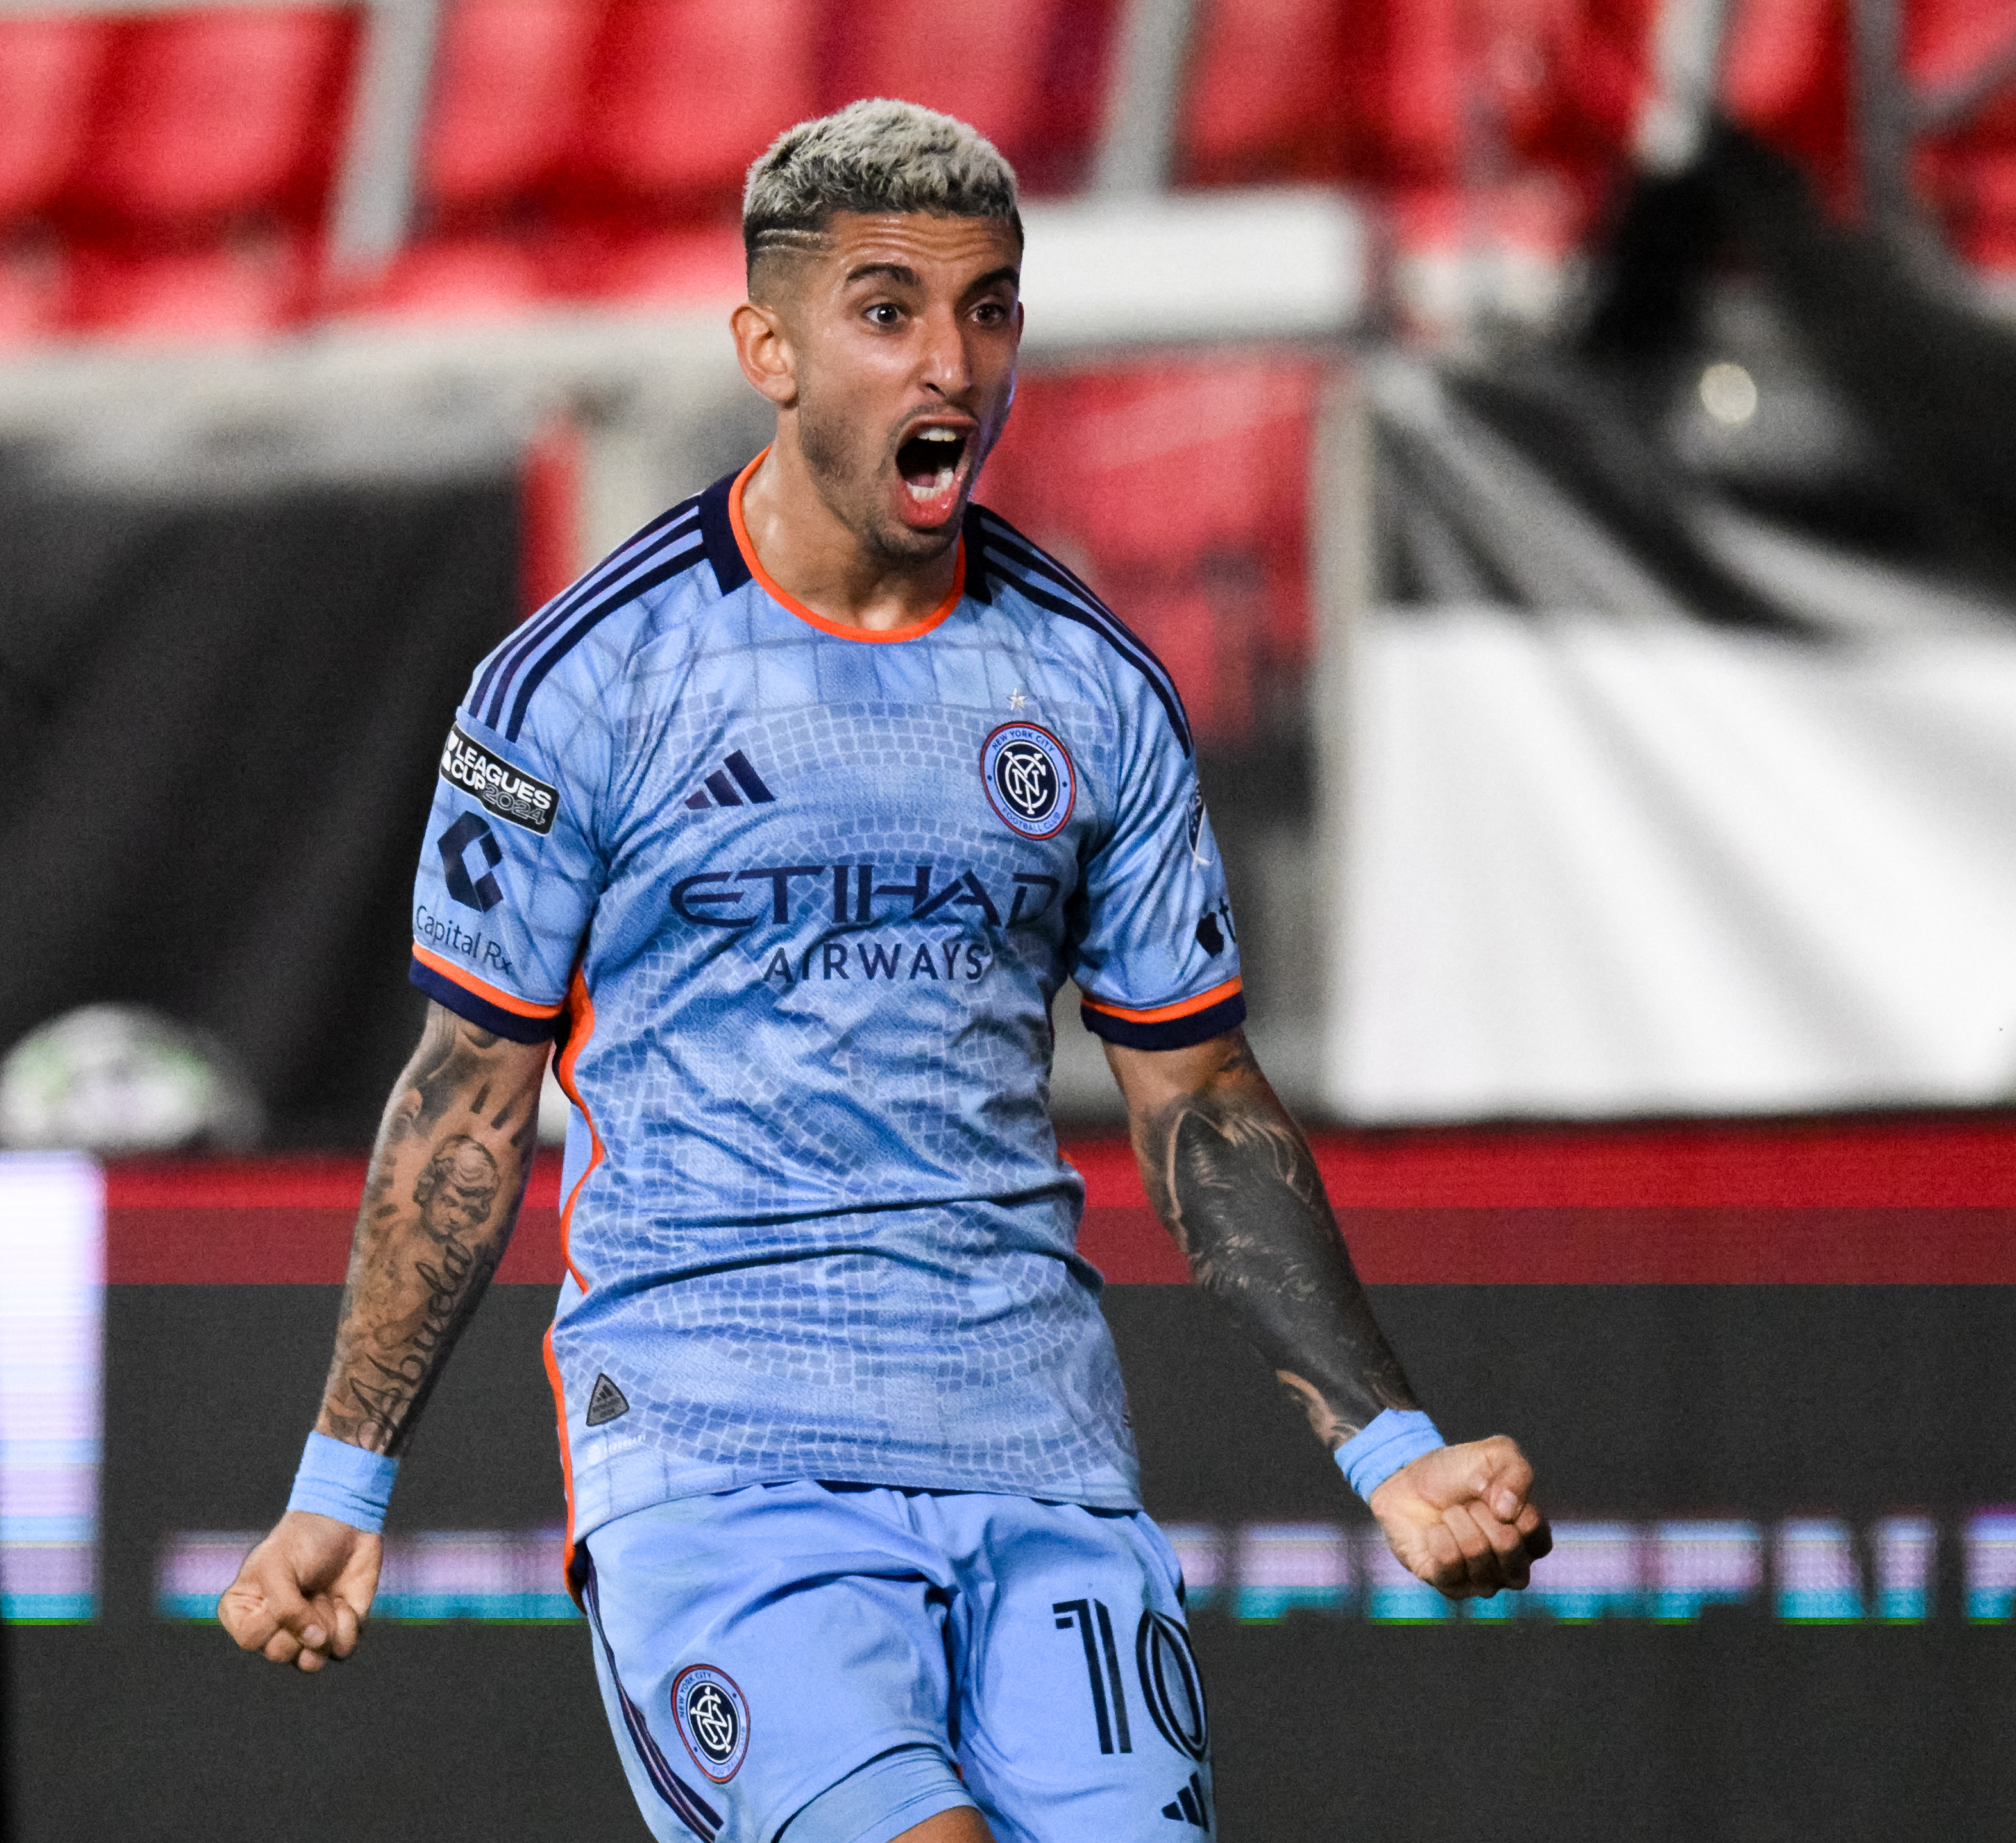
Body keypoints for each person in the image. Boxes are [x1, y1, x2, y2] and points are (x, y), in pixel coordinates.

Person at [221, 99, 1550, 1842]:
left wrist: (1390, 1444)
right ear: (765, 345)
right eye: (888, 310)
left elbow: (1202, 1104)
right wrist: (344, 1475)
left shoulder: (1091, 694)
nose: (955, 363)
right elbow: (467, 1096)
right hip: (721, 1458)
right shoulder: (583, 685)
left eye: (990, 307)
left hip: (1039, 1455)